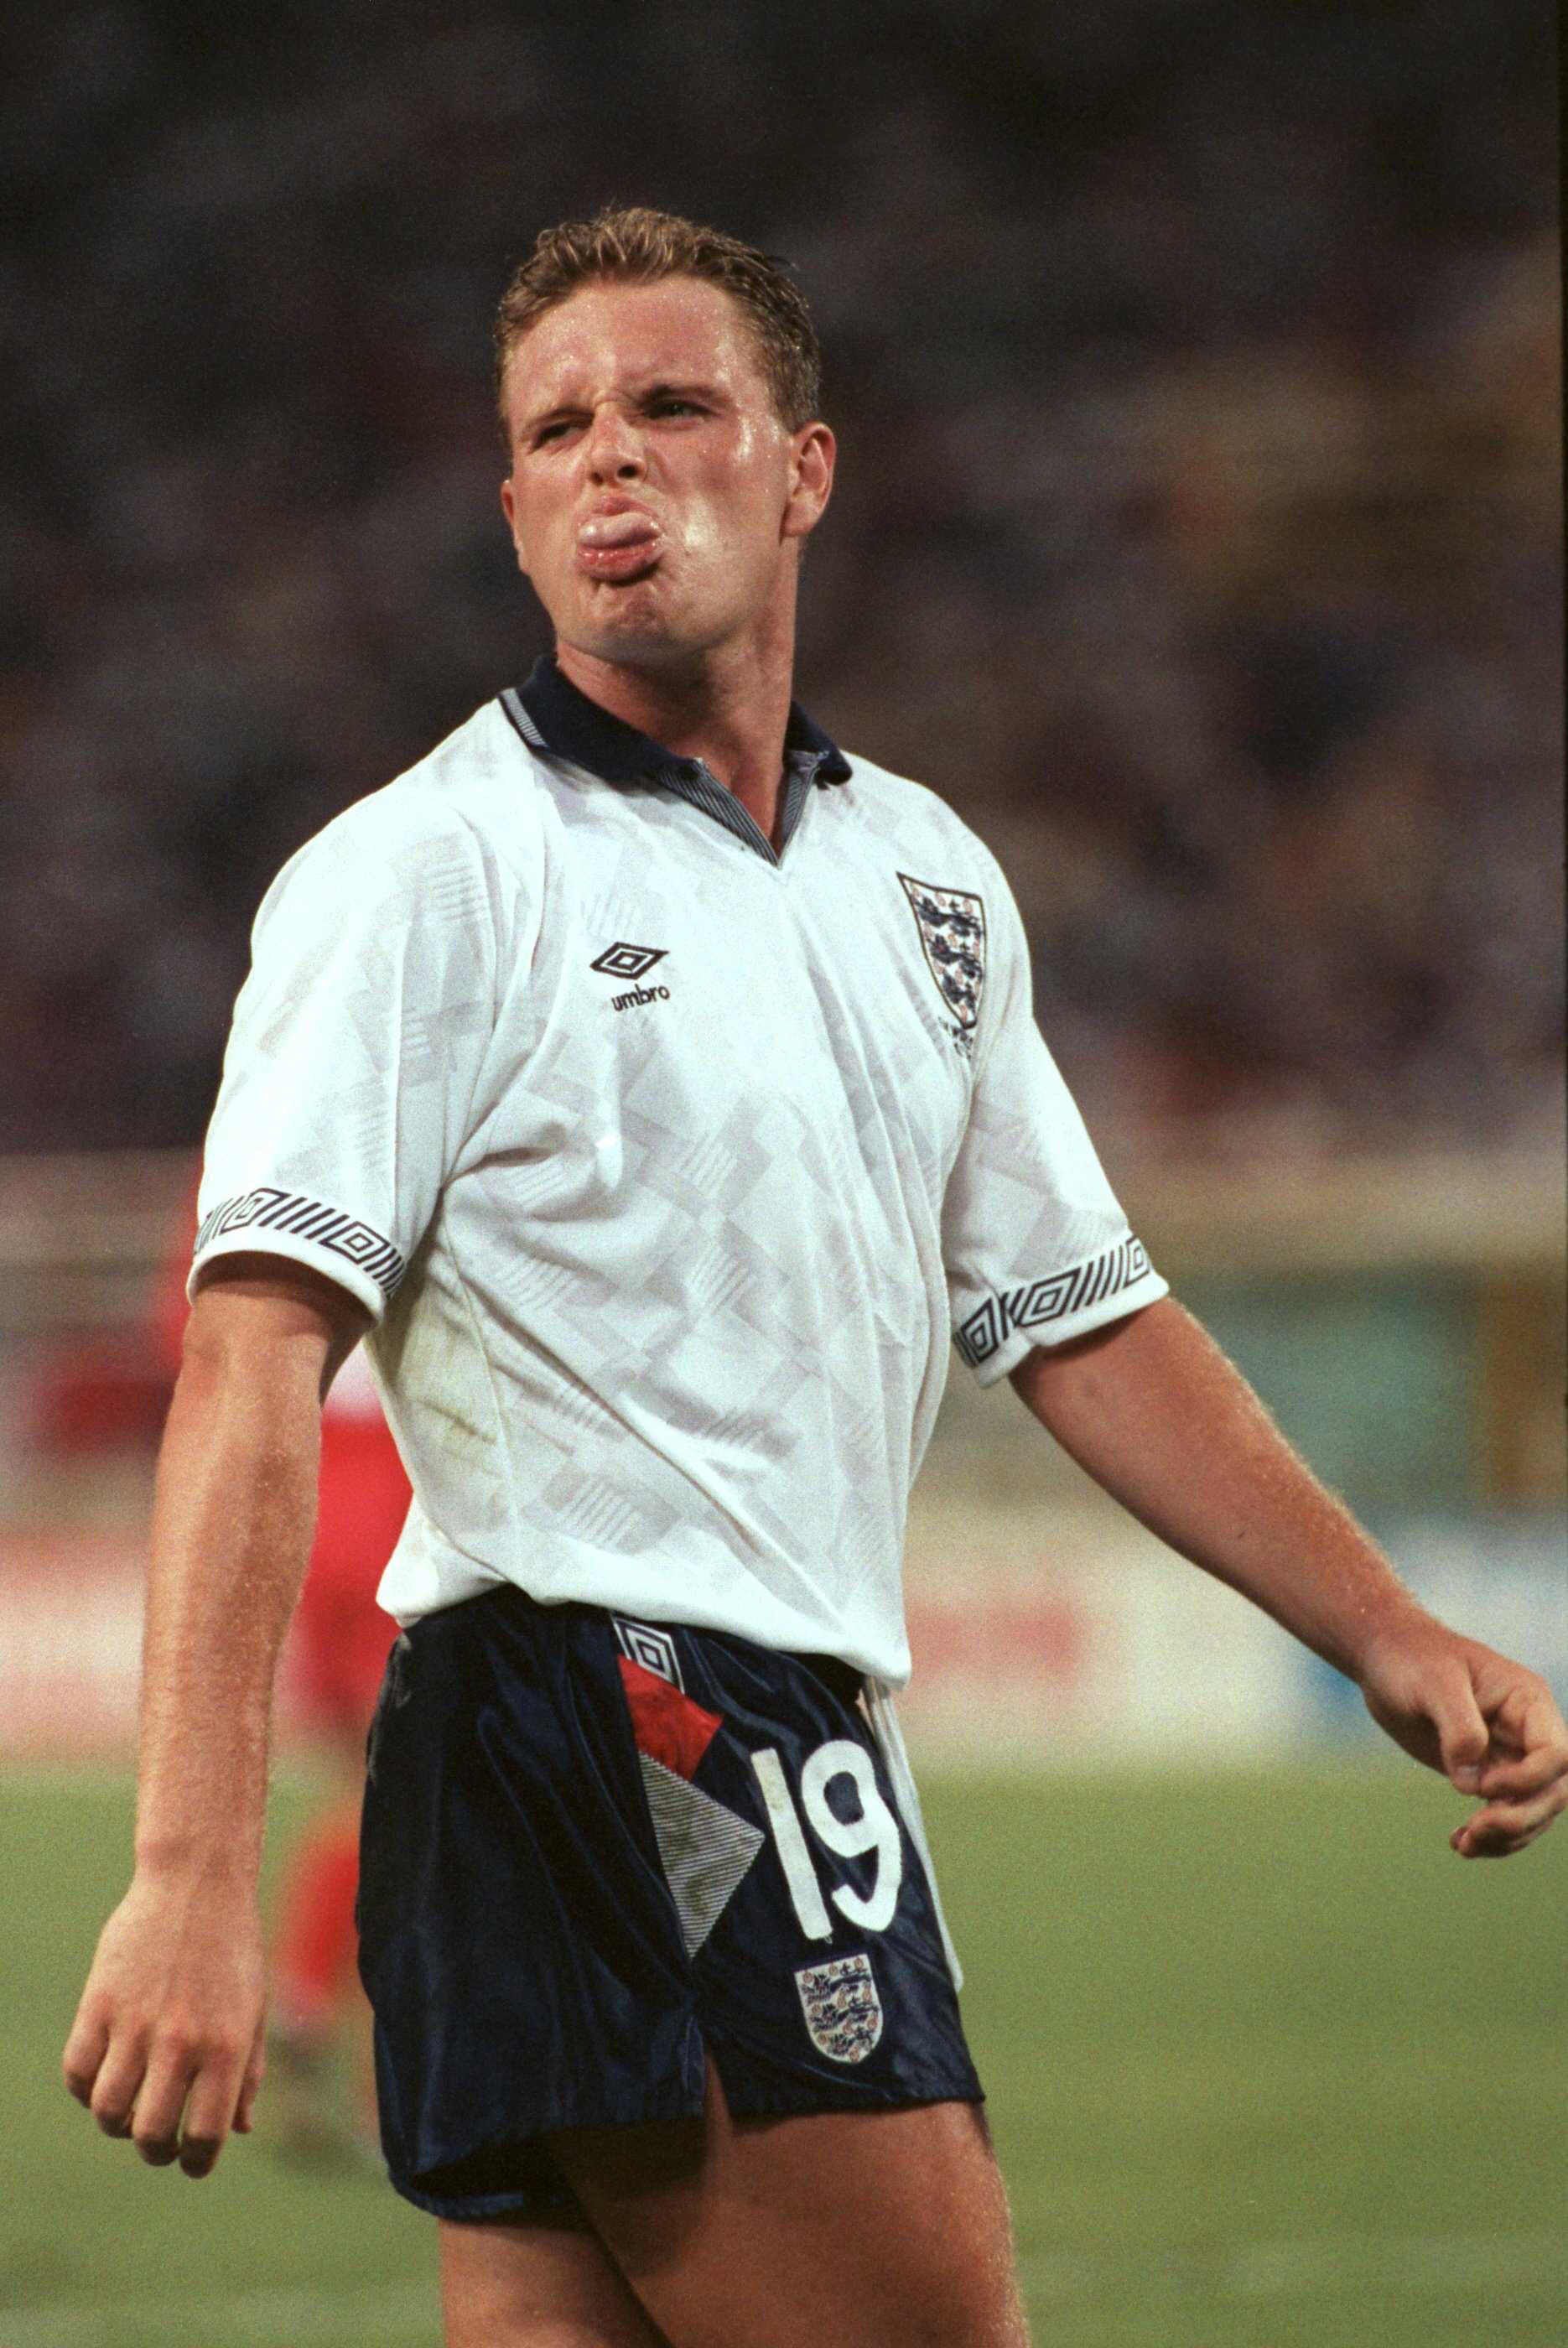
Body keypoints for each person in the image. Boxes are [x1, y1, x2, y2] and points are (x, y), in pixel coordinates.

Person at [64, 207, 1568, 2348]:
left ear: (802, 470)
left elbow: (1077, 1312)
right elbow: (245, 1364)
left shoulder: (926, 881)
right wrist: (196, 1867)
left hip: (616, 1743)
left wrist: (1379, 1622)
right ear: (508, 510)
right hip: (642, 1706)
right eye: (555, 428)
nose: (611, 459)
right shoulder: (421, 873)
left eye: (671, 406)